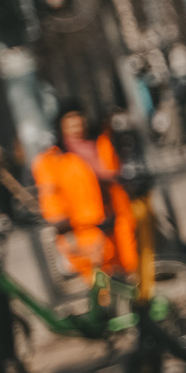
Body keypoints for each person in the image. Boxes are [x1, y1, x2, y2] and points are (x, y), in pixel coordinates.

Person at [32, 99, 137, 280]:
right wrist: (64, 230)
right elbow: (51, 199)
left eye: (79, 120)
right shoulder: (53, 159)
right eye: (70, 122)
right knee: (102, 285)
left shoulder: (102, 143)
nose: (77, 126)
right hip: (86, 232)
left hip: (118, 220)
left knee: (131, 274)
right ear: (61, 126)